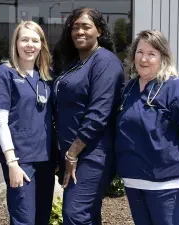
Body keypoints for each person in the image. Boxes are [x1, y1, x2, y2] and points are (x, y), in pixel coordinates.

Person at [115, 29, 179, 225]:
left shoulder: (177, 88)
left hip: (168, 186)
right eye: (140, 52)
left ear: (163, 57)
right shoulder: (129, 90)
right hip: (135, 183)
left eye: (151, 54)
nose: (144, 59)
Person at [52, 7, 125, 225]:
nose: (80, 32)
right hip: (73, 155)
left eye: (86, 26)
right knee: (88, 216)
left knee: (75, 215)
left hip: (92, 155)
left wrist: (72, 154)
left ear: (99, 31)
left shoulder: (105, 61)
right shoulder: (75, 63)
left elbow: (98, 113)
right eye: (75, 27)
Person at [0, 21, 55, 225]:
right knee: (23, 219)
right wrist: (11, 162)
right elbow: (0, 121)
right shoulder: (5, 73)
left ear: (42, 44)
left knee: (42, 217)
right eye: (24, 39)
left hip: (46, 159)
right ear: (16, 43)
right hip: (20, 159)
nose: (29, 45)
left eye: (35, 40)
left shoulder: (46, 77)